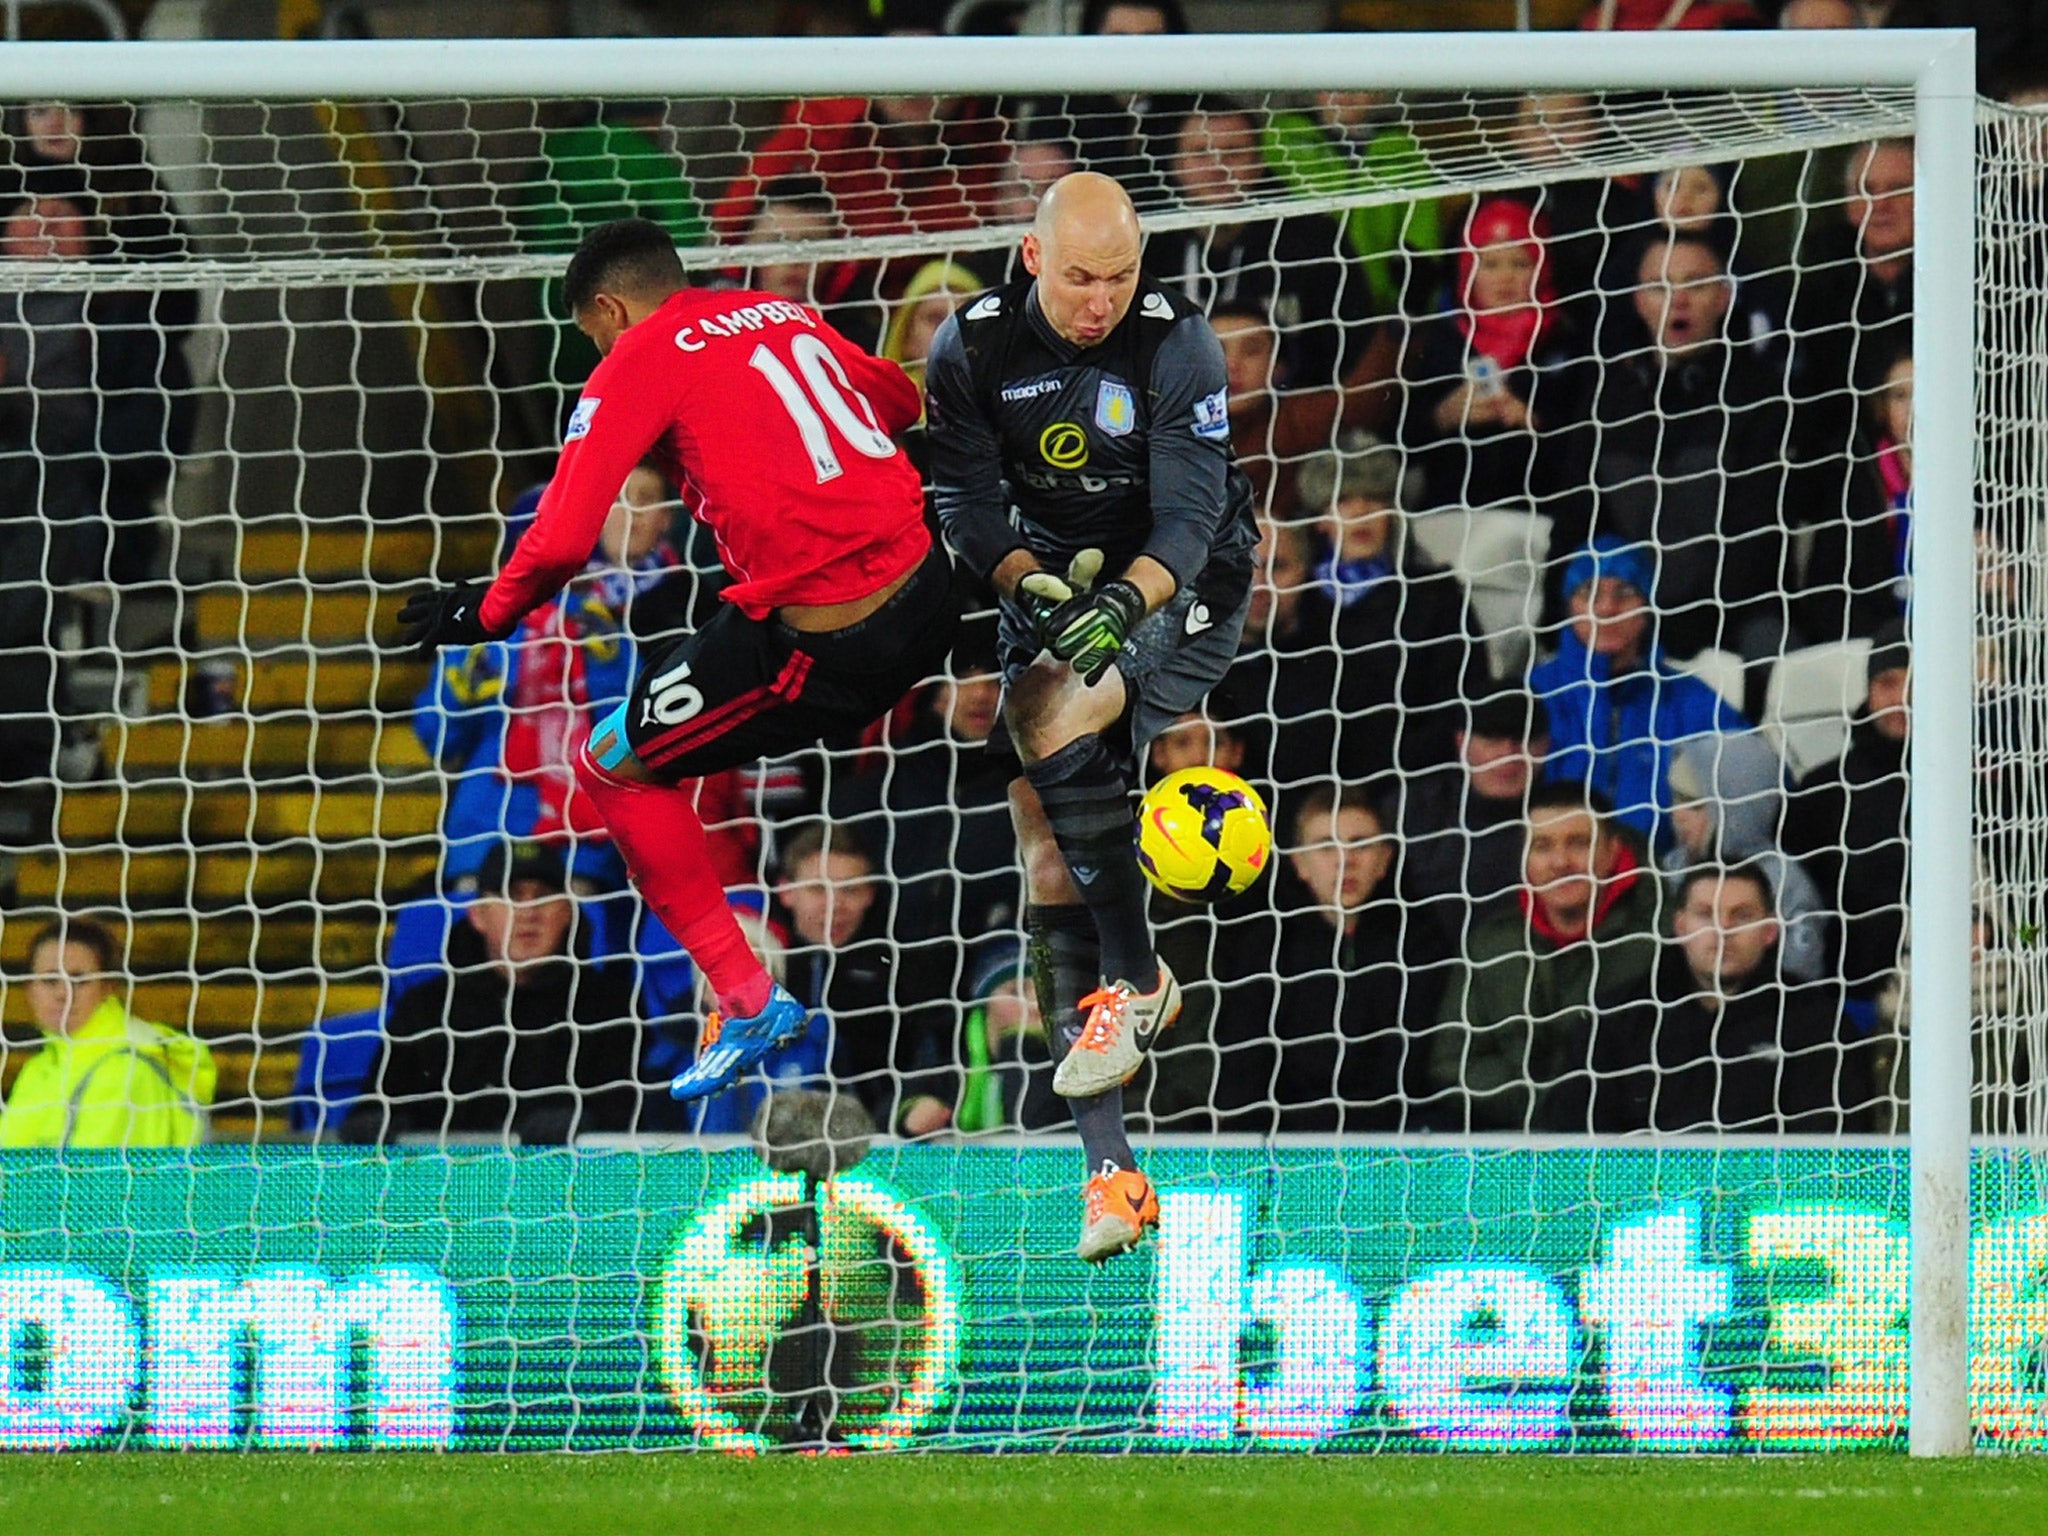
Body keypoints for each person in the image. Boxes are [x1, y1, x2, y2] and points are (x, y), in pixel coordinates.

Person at [395, 217, 957, 1108]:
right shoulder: (777, 310)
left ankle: (746, 997)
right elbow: (895, 397)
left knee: (613, 764)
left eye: (592, 337)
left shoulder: (636, 357)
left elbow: (561, 539)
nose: (598, 354)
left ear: (611, 310)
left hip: (831, 635)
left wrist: (483, 610)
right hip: (932, 589)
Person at [923, 172, 1256, 1261]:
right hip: (1055, 588)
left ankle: (1142, 976)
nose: (1098, 299)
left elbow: (1192, 515)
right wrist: (1027, 586)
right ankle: (1109, 1176)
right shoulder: (969, 349)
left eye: (1117, 276)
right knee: (1042, 852)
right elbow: (965, 506)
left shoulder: (1177, 345)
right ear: (1029, 257)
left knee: (1046, 711)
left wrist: (1120, 603)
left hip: (1182, 585)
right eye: (1077, 277)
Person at [344, 840, 645, 1144]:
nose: (528, 912)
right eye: (512, 896)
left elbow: (629, 1115)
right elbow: (374, 1105)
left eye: (542, 897)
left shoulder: (612, 1006)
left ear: (567, 913)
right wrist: (376, 1122)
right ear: (478, 915)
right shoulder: (426, 1007)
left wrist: (587, 1123)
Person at [1581, 232, 1791, 666]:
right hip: (1621, 614)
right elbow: (1576, 527)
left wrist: (1672, 631)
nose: (1678, 300)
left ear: (1724, 296)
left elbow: (1757, 541)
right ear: (1639, 301)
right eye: (1660, 286)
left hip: (1731, 622)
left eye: (1695, 284)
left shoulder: (1761, 397)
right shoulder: (1607, 400)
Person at [1423, 783, 1663, 1131]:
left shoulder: (1658, 940)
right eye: (1543, 846)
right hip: (1510, 1143)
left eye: (1579, 843)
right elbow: (1452, 1063)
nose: (1561, 862)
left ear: (1612, 852)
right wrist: (1546, 1105)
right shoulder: (1490, 945)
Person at [1268, 436, 1494, 791]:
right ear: (1319, 519)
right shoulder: (1296, 598)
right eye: (1343, 499)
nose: (1361, 511)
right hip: (1312, 785)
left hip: (1414, 782)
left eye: (1374, 497)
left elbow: (1463, 699)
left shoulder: (1434, 593)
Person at [1217, 784, 1428, 1133]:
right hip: (1282, 1144)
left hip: (1387, 1144)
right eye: (1326, 846)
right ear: (1299, 864)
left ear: (1385, 860)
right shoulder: (1266, 950)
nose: (1346, 860)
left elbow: (1410, 1071)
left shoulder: (1418, 945)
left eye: (1360, 843)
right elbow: (1245, 1073)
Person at [1589, 863, 1856, 1132]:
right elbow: (1572, 1141)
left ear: (1770, 931)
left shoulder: (1819, 1024)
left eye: (1741, 916)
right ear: (1680, 927)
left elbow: (1831, 1149)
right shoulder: (1617, 1018)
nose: (1722, 930)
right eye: (1705, 914)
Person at [1531, 537, 1750, 848]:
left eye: (1625, 593)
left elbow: (1758, 775)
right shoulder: (1535, 694)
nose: (1606, 609)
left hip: (1665, 874)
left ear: (1647, 605)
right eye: (1589, 593)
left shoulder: (1687, 698)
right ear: (1569, 607)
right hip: (1556, 868)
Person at [1145, 103, 1377, 396]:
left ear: (1259, 161)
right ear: (1174, 165)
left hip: (1296, 425)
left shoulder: (1314, 239)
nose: (1218, 168)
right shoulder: (1147, 247)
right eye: (1200, 153)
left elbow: (1353, 354)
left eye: (1234, 152)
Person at [1397, 197, 1592, 520]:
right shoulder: (1440, 340)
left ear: (1542, 267)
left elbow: (1588, 438)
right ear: (1466, 270)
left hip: (1539, 517)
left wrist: (1533, 424)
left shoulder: (1568, 340)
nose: (1505, 278)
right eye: (1490, 264)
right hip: (1451, 518)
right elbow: (1400, 439)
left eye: (1520, 263)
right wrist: (1444, 416)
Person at [769, 820, 956, 1138]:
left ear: (870, 894)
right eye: (818, 889)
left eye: (850, 890)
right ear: (786, 891)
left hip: (876, 1147)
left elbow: (934, 1058)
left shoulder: (901, 971)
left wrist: (902, 1113)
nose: (835, 905)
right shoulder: (763, 971)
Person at [2, 916, 215, 1149]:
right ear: (30, 989)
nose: (63, 993)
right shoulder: (40, 1067)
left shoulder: (126, 1066)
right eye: (50, 980)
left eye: (79, 980)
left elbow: (92, 1180)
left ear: (107, 988)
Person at [1784, 617, 1909, 1001]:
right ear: (1868, 692)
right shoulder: (1822, 790)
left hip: (1971, 987)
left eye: (1919, 683)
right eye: (1888, 684)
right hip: (1845, 999)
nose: (1903, 699)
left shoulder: (1978, 786)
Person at [1661, 732, 1834, 984]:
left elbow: (1800, 980)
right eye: (1675, 798)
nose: (1677, 814)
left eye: (1695, 805)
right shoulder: (1670, 868)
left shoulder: (1787, 887)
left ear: (1740, 808)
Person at [1398, 687, 1551, 965]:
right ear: (1461, 742)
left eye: (1522, 738)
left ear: (1546, 746)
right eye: (1492, 738)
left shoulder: (1568, 822)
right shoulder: (1410, 813)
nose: (1508, 753)